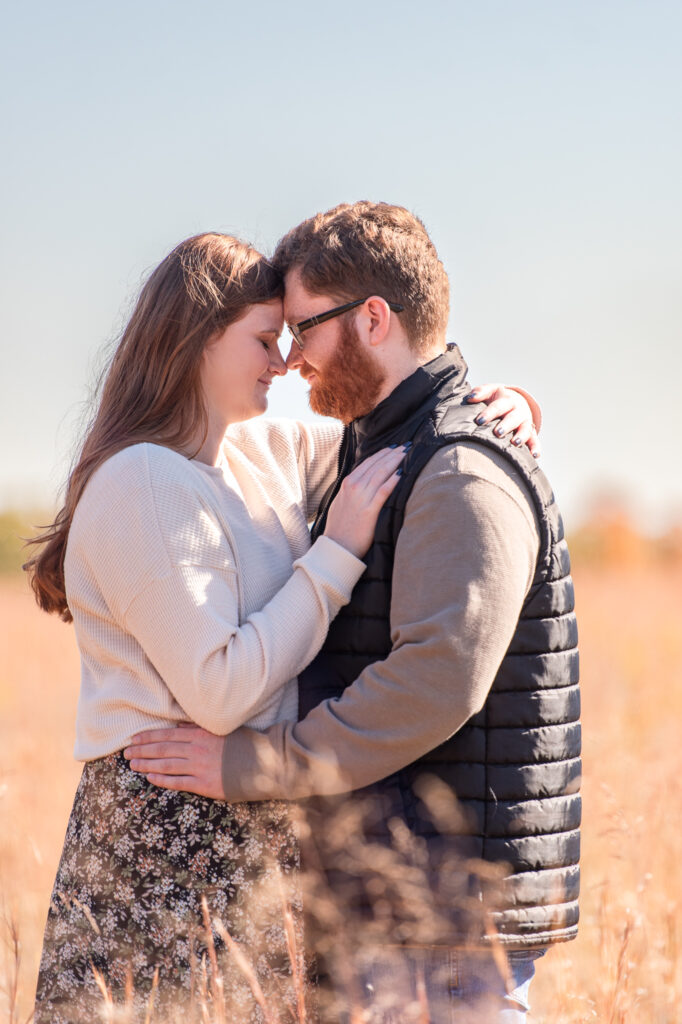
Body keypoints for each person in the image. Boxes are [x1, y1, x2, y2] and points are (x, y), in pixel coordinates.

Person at [26, 229, 537, 1024]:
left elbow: (409, 430)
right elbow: (221, 690)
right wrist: (334, 554)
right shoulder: (144, 481)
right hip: (166, 829)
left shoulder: (259, 450)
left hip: (256, 822)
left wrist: (508, 404)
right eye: (266, 340)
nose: (285, 362)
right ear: (196, 340)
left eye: (290, 337)